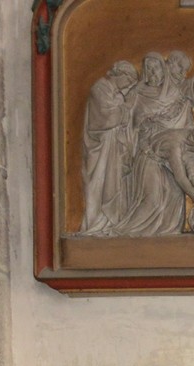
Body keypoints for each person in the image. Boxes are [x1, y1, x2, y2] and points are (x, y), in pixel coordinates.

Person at [77, 60, 137, 236]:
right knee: (98, 184)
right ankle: (95, 223)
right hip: (100, 148)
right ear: (120, 75)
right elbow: (105, 118)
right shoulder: (100, 88)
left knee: (113, 183)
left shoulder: (116, 93)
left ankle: (110, 224)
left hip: (112, 148)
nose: (129, 85)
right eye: (129, 80)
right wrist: (126, 108)